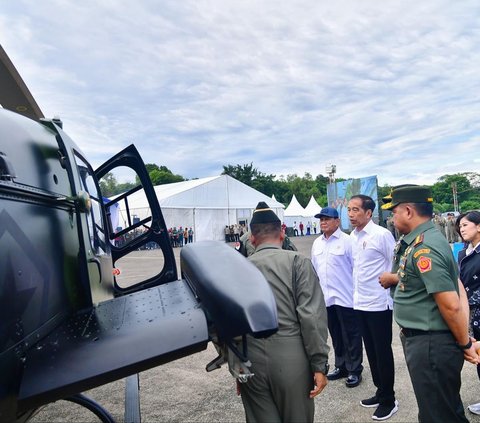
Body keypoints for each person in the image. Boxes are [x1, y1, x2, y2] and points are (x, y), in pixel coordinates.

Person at [382, 186, 477, 423]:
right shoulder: (420, 241)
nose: (392, 218)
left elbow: (451, 304)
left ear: (407, 210)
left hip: (431, 345)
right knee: (439, 410)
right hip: (428, 342)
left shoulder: (425, 246)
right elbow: (455, 287)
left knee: (438, 415)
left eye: (393, 212)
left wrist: (465, 342)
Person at [239, 202, 330, 423]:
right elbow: (311, 317)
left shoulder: (238, 269)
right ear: (282, 232)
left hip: (250, 360)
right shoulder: (297, 262)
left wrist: (238, 364)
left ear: (252, 238)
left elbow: (228, 322)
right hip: (292, 357)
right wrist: (319, 364)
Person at [347, 194, 398, 421]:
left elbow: (394, 264)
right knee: (371, 351)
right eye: (349, 210)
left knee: (383, 352)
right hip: (360, 302)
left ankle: (389, 399)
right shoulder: (353, 237)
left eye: (356, 210)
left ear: (369, 213)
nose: (351, 214)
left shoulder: (382, 235)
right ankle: (380, 391)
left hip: (379, 303)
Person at [311, 207, 363, 388]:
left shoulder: (348, 241)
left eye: (327, 219)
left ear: (337, 221)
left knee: (352, 335)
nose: (323, 222)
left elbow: (356, 269)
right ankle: (341, 366)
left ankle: (355, 370)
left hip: (346, 297)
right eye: (321, 219)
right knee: (336, 336)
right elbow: (314, 271)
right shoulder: (317, 243)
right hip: (327, 299)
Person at [456, 211, 480, 415]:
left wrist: (466, 301)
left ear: (479, 226)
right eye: (460, 226)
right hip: (473, 315)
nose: (461, 229)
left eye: (465, 225)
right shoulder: (464, 253)